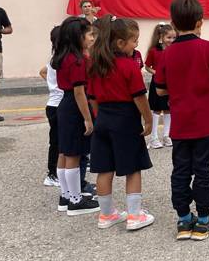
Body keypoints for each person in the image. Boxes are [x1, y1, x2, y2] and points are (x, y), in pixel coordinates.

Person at [155, 0, 209, 241]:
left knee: (180, 170)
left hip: (180, 123)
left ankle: (183, 218)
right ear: (200, 23)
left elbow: (159, 89)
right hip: (204, 121)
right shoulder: (207, 48)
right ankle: (203, 219)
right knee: (203, 169)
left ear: (173, 23)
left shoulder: (168, 54)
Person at [88, 16, 154, 230]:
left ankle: (106, 215)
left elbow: (92, 98)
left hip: (103, 118)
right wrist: (148, 118)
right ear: (120, 43)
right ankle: (135, 215)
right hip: (125, 118)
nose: (136, 45)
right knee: (133, 168)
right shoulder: (128, 66)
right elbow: (139, 97)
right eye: (134, 40)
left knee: (104, 169)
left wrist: (99, 117)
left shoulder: (97, 65)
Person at [52, 16, 100, 216]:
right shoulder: (78, 60)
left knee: (64, 153)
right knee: (74, 153)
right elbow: (80, 92)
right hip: (75, 107)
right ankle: (75, 200)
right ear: (78, 36)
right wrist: (88, 118)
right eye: (89, 34)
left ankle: (66, 194)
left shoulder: (63, 56)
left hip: (64, 105)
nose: (91, 38)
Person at [145, 22, 176, 149]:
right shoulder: (154, 51)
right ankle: (153, 138)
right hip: (157, 83)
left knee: (169, 109)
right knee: (157, 109)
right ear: (161, 37)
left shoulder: (174, 50)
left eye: (173, 38)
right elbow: (147, 67)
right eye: (169, 37)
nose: (171, 40)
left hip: (170, 83)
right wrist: (156, 73)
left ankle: (167, 136)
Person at [40, 26, 62, 187]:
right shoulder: (59, 59)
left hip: (55, 104)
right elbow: (43, 72)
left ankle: (57, 172)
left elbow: (43, 72)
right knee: (56, 141)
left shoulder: (57, 57)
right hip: (57, 105)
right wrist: (54, 86)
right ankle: (52, 173)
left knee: (60, 140)